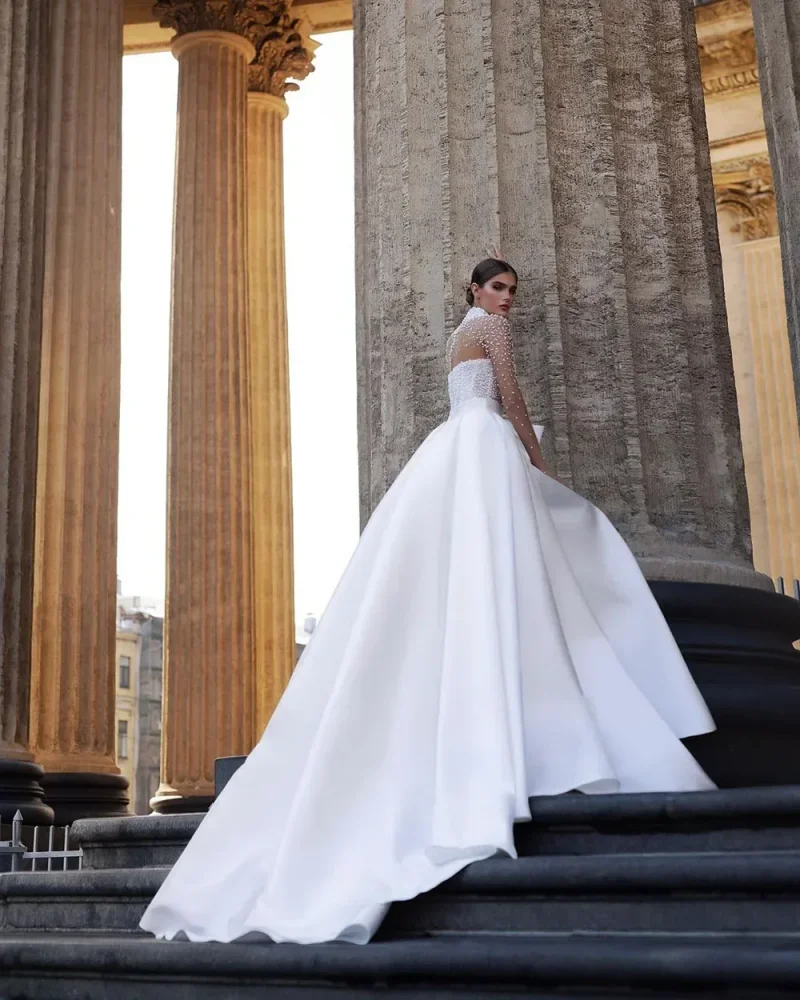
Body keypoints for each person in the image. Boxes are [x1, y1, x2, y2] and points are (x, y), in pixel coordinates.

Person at [140, 256, 715, 947]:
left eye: (510, 292)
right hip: (486, 444)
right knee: (518, 556)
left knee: (473, 565)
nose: (506, 301)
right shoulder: (493, 334)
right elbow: (510, 395)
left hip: (453, 448)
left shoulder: (455, 335)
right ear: (476, 289)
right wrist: (536, 457)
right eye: (498, 288)